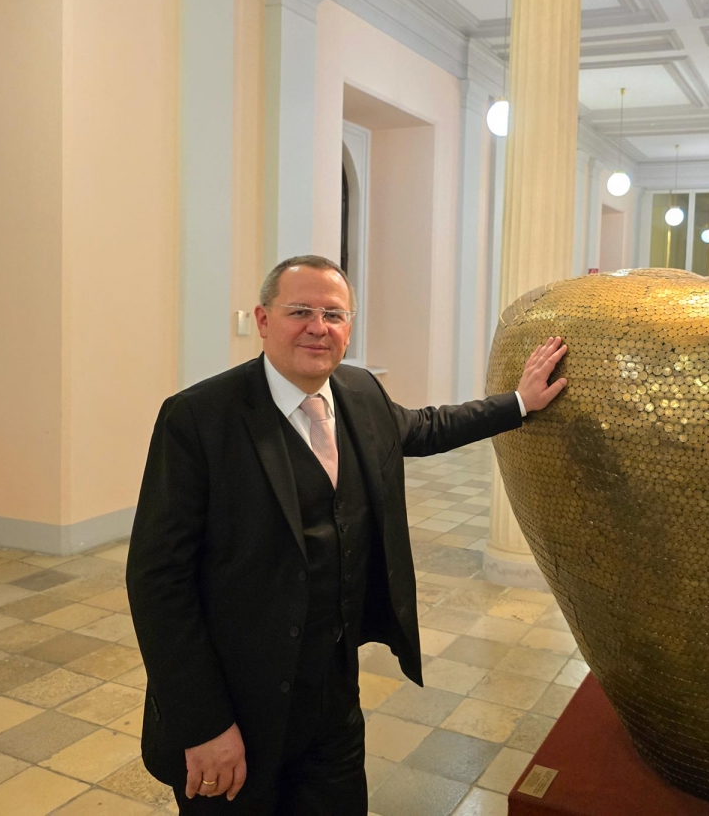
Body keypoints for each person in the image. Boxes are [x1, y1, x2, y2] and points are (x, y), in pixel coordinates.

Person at [126, 255, 567, 814]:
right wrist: (205, 724)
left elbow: (427, 427)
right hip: (237, 703)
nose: (318, 327)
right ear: (263, 321)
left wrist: (521, 403)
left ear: (349, 327)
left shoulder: (359, 393)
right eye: (300, 311)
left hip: (332, 700)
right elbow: (157, 581)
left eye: (334, 314)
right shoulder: (197, 418)